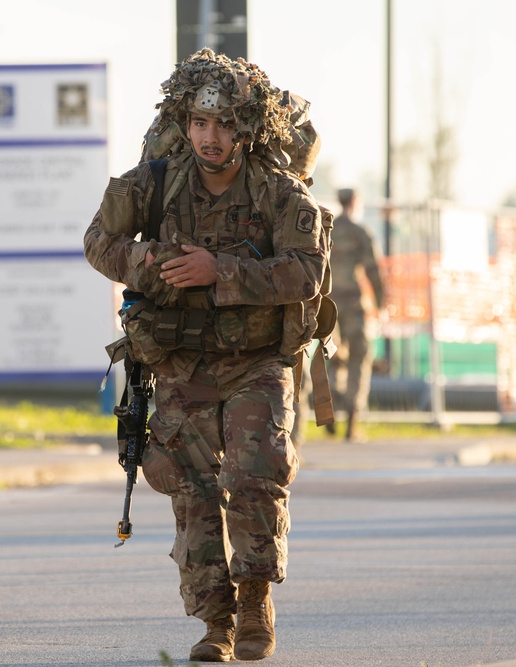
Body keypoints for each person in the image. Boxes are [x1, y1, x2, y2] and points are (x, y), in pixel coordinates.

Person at [83, 49, 328, 663]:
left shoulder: (280, 193)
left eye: (222, 126)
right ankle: (214, 623)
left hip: (255, 362)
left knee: (254, 476)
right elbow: (97, 241)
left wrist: (222, 270)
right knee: (189, 490)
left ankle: (253, 606)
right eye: (197, 123)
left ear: (246, 130)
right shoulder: (156, 183)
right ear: (183, 122)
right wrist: (152, 265)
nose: (208, 137)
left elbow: (307, 273)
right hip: (179, 362)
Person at [326, 187, 385, 442]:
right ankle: (352, 419)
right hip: (353, 303)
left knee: (332, 356)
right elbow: (373, 270)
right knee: (359, 358)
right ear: (355, 202)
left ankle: (328, 409)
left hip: (328, 304)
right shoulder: (361, 233)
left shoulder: (327, 230)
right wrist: (381, 304)